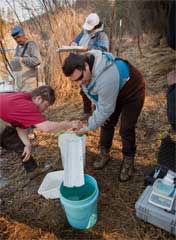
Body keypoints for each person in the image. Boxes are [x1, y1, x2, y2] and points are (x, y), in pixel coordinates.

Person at [62, 50, 145, 182]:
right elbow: (92, 94)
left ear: (86, 66)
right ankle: (104, 153)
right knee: (106, 123)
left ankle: (128, 159)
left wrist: (88, 126)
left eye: (79, 78)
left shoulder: (107, 76)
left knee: (126, 128)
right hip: (112, 92)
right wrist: (97, 110)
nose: (79, 83)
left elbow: (106, 109)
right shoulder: (85, 73)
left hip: (132, 92)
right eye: (75, 81)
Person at [0, 85, 82, 173]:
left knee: (12, 137)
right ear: (39, 99)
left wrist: (28, 145)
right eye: (46, 105)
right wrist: (70, 124)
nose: (45, 110)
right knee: (8, 135)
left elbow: (20, 127)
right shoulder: (28, 105)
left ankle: (32, 169)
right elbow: (47, 127)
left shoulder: (25, 97)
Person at [70, 13, 109, 117]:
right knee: (84, 90)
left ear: (95, 26)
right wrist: (73, 43)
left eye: (89, 28)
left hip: (95, 67)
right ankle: (87, 111)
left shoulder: (102, 36)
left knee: (96, 90)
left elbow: (103, 51)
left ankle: (98, 113)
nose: (87, 30)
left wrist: (88, 50)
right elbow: (75, 40)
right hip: (82, 65)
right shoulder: (84, 32)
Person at [10, 25, 41, 91]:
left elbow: (37, 60)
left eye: (19, 37)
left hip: (29, 84)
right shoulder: (18, 47)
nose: (17, 40)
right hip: (20, 84)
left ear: (23, 34)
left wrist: (22, 59)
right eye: (15, 39)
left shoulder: (31, 45)